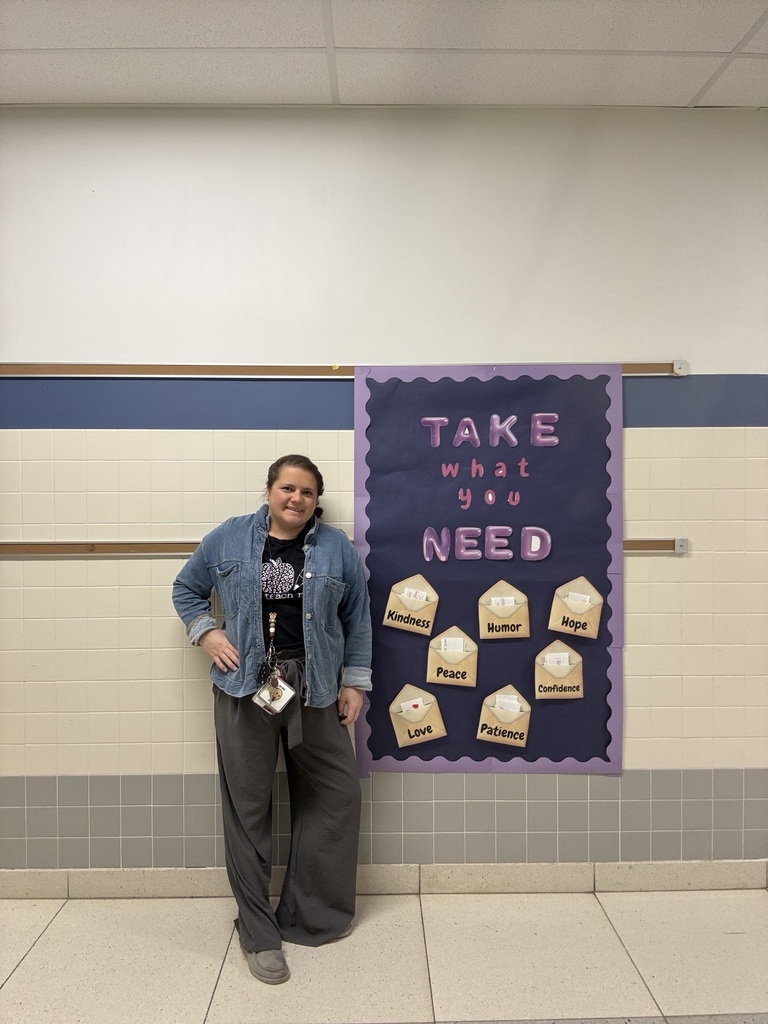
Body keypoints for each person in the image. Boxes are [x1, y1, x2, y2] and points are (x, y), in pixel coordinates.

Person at [172, 454, 372, 985]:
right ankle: (258, 933)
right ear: (269, 490)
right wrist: (207, 632)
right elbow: (185, 589)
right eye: (288, 488)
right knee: (249, 808)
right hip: (247, 691)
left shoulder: (336, 549)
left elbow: (358, 617)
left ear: (316, 500)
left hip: (317, 690)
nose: (296, 500)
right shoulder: (229, 538)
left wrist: (355, 682)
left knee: (337, 796)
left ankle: (311, 916)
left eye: (307, 493)